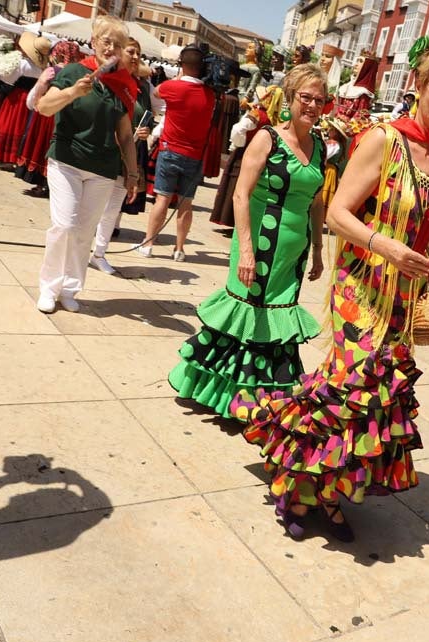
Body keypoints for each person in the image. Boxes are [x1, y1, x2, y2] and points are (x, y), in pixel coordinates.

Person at [231, 39, 429, 542]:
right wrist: (387, 247)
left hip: (403, 299)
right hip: (362, 288)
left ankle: (324, 490)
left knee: (368, 397)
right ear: (418, 86)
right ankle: (295, 485)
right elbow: (336, 213)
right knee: (352, 386)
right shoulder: (383, 139)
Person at [168, 63, 327, 418]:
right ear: (290, 97)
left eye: (320, 100)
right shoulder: (267, 138)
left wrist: (317, 250)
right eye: (306, 97)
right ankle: (226, 397)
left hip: (292, 258)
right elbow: (241, 195)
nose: (313, 106)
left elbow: (317, 202)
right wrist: (245, 251)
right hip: (259, 247)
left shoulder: (320, 148)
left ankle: (263, 400)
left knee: (274, 325)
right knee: (245, 320)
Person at [34, 15, 139, 314]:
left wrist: (132, 173)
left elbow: (126, 137)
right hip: (67, 159)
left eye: (117, 44)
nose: (111, 47)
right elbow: (43, 107)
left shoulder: (124, 86)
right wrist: (71, 93)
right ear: (93, 42)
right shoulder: (73, 73)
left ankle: (70, 287)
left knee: (84, 231)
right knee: (64, 225)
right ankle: (49, 287)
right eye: (106, 41)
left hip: (103, 169)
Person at [137, 43, 216, 262]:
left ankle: (148, 244)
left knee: (161, 199)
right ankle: (179, 249)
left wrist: (179, 76)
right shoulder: (209, 95)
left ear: (182, 65)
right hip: (194, 155)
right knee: (185, 203)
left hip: (170, 149)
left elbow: (158, 92)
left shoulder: (174, 87)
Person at [91, 37, 153, 275]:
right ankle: (81, 250)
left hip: (128, 155)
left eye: (139, 53)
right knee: (92, 209)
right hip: (104, 153)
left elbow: (144, 117)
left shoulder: (143, 87)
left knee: (112, 209)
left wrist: (143, 134)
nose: (136, 57)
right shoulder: (107, 81)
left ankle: (99, 253)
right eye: (131, 51)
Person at [16, 40, 82, 197]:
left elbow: (32, 100)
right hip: (67, 118)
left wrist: (40, 85)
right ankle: (51, 186)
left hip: (46, 117)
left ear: (57, 53)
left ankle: (41, 184)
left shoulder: (52, 71)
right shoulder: (78, 74)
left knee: (43, 147)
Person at [210, 89, 272, 227]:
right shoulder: (271, 117)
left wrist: (239, 144)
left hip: (245, 151)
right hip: (261, 154)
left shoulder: (256, 114)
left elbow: (239, 129)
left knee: (237, 184)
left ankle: (230, 219)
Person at [0, 31, 48, 167]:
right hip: (33, 97)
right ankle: (17, 157)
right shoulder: (43, 67)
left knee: (10, 124)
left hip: (17, 97)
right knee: (23, 127)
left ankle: (6, 156)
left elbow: (9, 79)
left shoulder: (21, 64)